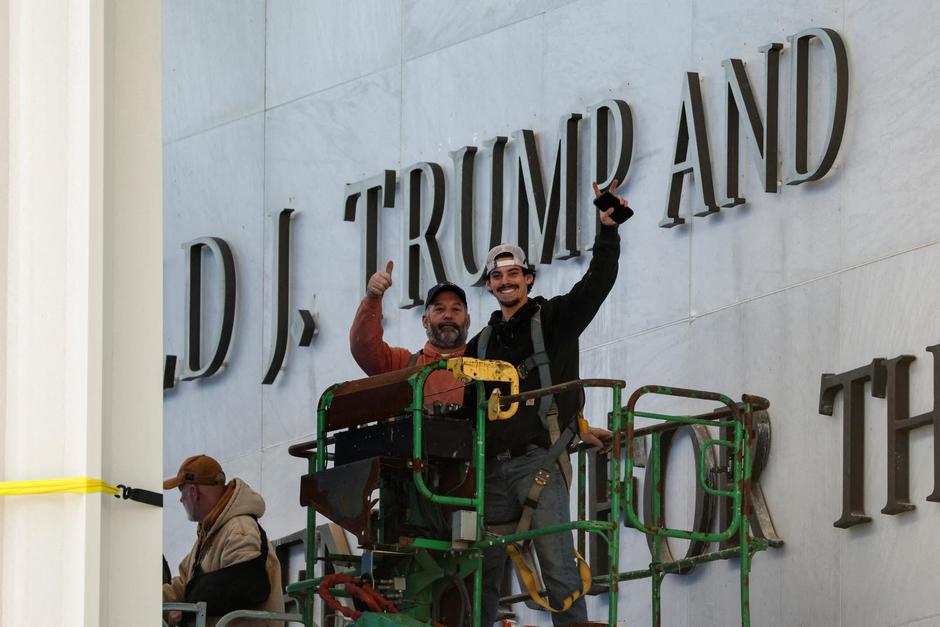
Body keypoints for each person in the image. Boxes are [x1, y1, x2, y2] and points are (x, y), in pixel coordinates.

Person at [466, 180, 628, 626]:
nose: (505, 281)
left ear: (528, 278)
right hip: (491, 470)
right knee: (483, 568)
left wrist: (608, 230)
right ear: (489, 286)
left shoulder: (554, 319)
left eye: (513, 273)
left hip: (540, 459)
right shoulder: (478, 347)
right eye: (497, 276)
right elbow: (466, 411)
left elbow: (597, 284)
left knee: (557, 561)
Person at [163, 454, 284, 627]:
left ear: (193, 491)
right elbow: (184, 585)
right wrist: (146, 601)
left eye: (181, 491)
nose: (181, 499)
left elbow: (244, 587)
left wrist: (188, 610)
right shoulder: (210, 534)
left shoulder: (239, 529)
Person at [349, 260, 470, 405]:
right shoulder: (402, 364)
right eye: (439, 309)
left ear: (468, 321)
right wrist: (372, 298)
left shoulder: (486, 365)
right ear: (425, 321)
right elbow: (363, 346)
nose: (448, 315)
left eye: (456, 309)